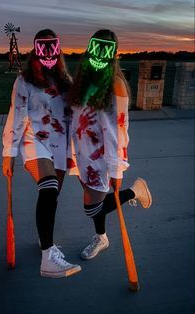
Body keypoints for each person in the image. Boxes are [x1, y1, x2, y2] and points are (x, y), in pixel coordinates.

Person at [2, 29, 81, 278]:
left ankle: (44, 239)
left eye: (52, 49)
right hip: (33, 140)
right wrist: (8, 153)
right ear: (36, 50)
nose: (48, 54)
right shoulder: (24, 81)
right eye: (43, 48)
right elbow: (15, 115)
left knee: (52, 197)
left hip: (59, 145)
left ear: (58, 52)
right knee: (47, 188)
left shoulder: (64, 80)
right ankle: (48, 258)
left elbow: (73, 114)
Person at [67, 29, 152, 260]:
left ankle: (136, 190)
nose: (100, 54)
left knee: (92, 207)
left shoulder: (115, 85)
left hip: (102, 159)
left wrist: (116, 168)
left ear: (114, 54)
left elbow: (119, 131)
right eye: (97, 47)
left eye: (106, 49)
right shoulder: (83, 81)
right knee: (97, 201)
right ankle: (101, 237)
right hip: (82, 156)